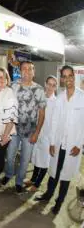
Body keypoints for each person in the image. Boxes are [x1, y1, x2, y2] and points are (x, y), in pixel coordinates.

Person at [35, 65, 84, 215]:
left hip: (73, 145)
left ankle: (59, 203)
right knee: (54, 172)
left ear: (74, 78)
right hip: (58, 142)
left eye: (70, 76)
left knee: (66, 176)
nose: (68, 79)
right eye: (65, 76)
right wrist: (51, 142)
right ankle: (48, 195)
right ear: (62, 79)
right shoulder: (60, 98)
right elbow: (55, 121)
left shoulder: (82, 97)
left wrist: (80, 144)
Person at [1, 61, 46, 193]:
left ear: (34, 72)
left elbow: (42, 113)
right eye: (24, 69)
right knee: (9, 157)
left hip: (30, 132)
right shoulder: (13, 86)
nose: (27, 72)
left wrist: (37, 133)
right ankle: (9, 174)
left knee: (25, 161)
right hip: (13, 129)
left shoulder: (39, 89)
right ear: (20, 71)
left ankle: (19, 181)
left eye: (29, 69)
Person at [26, 76, 57, 192]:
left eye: (53, 85)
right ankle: (33, 179)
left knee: (44, 161)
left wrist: (52, 140)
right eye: (49, 84)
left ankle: (37, 184)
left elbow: (55, 123)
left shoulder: (56, 102)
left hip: (48, 136)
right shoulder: (39, 97)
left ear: (56, 87)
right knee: (36, 158)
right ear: (45, 84)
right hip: (37, 132)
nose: (50, 87)